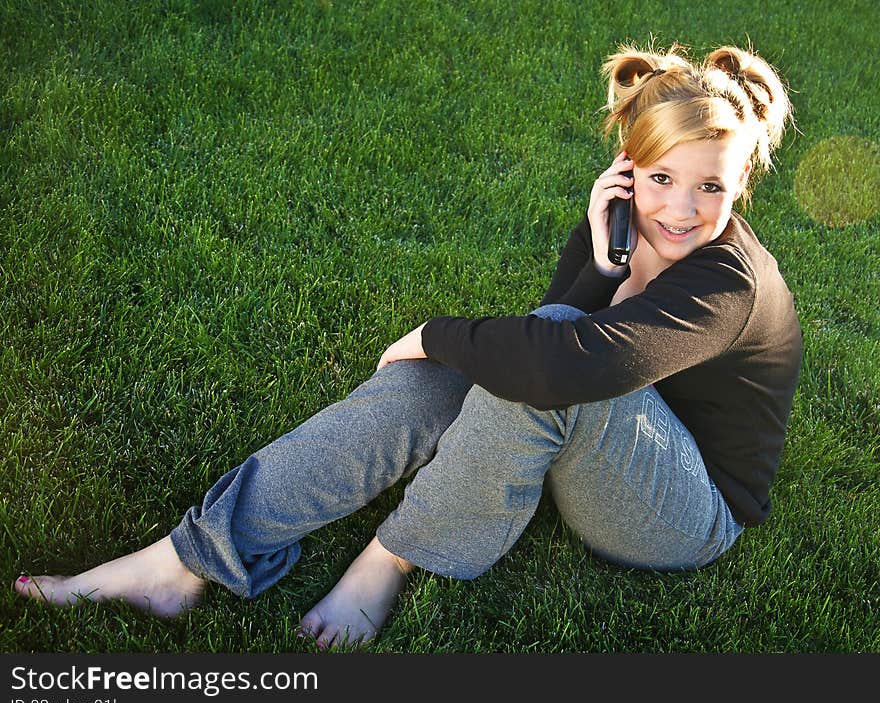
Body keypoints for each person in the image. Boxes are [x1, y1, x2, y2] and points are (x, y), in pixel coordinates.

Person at [14, 41, 802, 651]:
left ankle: (388, 561)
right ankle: (183, 559)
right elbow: (539, 343)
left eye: (712, 187)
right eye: (661, 178)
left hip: (683, 510)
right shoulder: (624, 227)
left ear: (740, 189)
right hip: (605, 433)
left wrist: (437, 332)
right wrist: (601, 265)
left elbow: (559, 361)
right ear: (627, 165)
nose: (683, 208)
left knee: (516, 356)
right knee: (442, 380)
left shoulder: (728, 280)